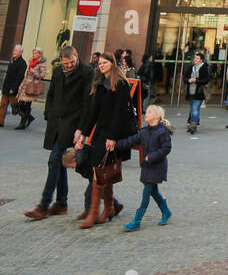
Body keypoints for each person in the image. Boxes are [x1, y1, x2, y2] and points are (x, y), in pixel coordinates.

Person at [24, 45, 93, 219]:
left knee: (54, 160)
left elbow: (87, 103)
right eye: (65, 64)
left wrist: (81, 128)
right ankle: (61, 202)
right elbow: (51, 94)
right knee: (59, 161)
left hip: (72, 123)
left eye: (71, 63)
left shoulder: (86, 72)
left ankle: (44, 205)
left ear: (76, 56)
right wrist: (48, 113)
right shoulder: (57, 71)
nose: (68, 66)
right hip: (56, 121)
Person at [73, 52, 137, 227]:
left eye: (105, 63)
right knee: (102, 171)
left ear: (112, 63)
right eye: (100, 63)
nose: (101, 65)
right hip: (101, 133)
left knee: (98, 172)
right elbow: (93, 112)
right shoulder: (99, 83)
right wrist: (83, 134)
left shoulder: (121, 84)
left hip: (113, 134)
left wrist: (113, 138)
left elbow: (120, 113)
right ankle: (108, 207)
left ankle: (94, 213)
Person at [114, 104, 173, 229]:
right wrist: (116, 144)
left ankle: (137, 221)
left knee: (146, 193)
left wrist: (151, 157)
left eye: (150, 112)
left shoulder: (163, 132)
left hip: (157, 167)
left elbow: (166, 149)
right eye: (147, 112)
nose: (146, 114)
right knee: (154, 192)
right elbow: (131, 141)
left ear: (157, 116)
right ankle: (166, 211)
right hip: (147, 167)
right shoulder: (144, 132)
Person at [16, 48, 48, 129]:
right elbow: (27, 75)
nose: (33, 55)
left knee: (27, 105)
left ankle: (22, 123)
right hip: (26, 85)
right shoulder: (31, 62)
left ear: (39, 54)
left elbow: (43, 75)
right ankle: (29, 117)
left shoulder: (42, 63)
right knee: (21, 104)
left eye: (35, 53)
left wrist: (35, 73)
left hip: (33, 87)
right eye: (33, 53)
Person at [184, 49, 209, 133]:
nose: (195, 60)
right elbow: (185, 78)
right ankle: (193, 121)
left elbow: (206, 80)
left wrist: (196, 80)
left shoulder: (204, 68)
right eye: (195, 58)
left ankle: (193, 125)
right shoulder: (191, 67)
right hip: (190, 92)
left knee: (195, 108)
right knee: (193, 108)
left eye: (197, 58)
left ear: (201, 60)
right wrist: (189, 80)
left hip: (199, 92)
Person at [0, 44, 26, 126]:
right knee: (2, 105)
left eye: (16, 51)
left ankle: (25, 116)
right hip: (6, 87)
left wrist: (13, 89)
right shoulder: (12, 60)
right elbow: (7, 75)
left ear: (20, 53)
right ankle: (0, 122)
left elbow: (19, 78)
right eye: (14, 50)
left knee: (15, 107)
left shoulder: (22, 63)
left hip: (13, 89)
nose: (14, 52)